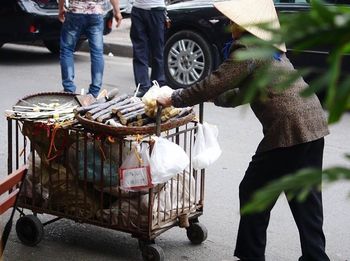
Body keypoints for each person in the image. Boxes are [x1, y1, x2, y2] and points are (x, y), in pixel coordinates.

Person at [157, 0, 330, 260]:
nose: (229, 25)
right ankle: (316, 257)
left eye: (232, 21)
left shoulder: (247, 48)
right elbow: (243, 92)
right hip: (313, 124)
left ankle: (251, 256)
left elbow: (215, 82)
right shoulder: (269, 47)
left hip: (288, 130)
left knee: (253, 191)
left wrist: (175, 97)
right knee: (306, 200)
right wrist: (213, 98)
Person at [58, 0, 123, 98]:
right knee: (97, 53)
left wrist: (61, 8)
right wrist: (117, 11)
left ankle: (69, 89)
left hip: (74, 13)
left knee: (67, 50)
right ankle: (94, 92)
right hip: (95, 14)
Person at [130, 0, 167, 97]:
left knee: (157, 51)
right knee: (139, 51)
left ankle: (157, 86)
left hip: (156, 10)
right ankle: (142, 87)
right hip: (138, 9)